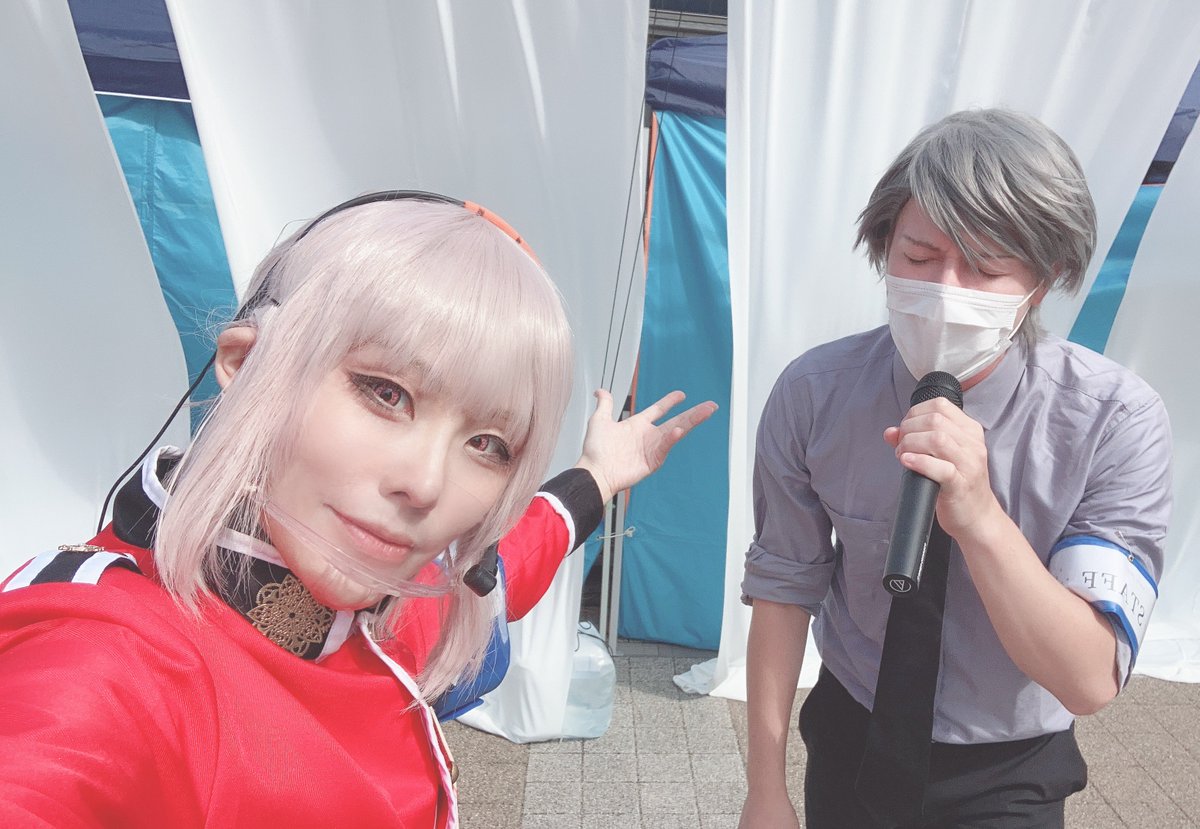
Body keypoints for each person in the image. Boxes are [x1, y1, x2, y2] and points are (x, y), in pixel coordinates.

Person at [0, 193, 716, 828]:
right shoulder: (105, 657)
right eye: (385, 392)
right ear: (246, 364)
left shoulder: (381, 611)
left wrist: (599, 474)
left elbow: (505, 568)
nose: (426, 484)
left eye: (487, 444)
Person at [738, 109, 1172, 828]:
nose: (945, 287)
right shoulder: (815, 393)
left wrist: (980, 517)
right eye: (918, 256)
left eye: (986, 266)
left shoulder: (1114, 422)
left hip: (1006, 770)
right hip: (849, 731)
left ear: (1045, 278)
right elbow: (785, 587)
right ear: (883, 247)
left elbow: (1090, 677)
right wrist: (764, 788)